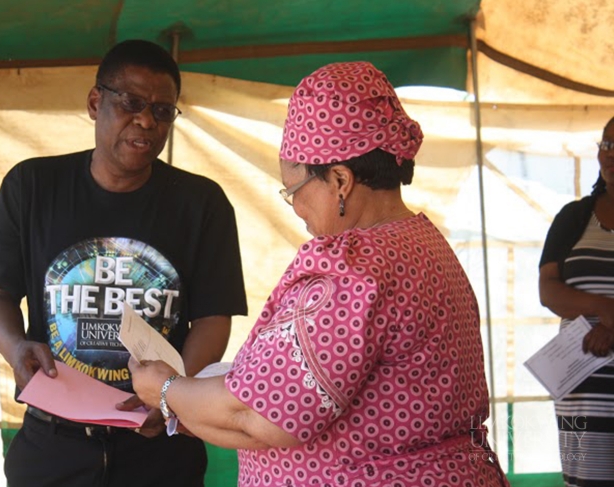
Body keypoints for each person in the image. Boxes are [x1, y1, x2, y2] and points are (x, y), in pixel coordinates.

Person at [128, 61, 509, 487]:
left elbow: (261, 416)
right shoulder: (423, 243)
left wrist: (165, 389)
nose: (295, 207)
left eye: (293, 191)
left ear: (341, 180)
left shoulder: (355, 268)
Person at [0, 39, 247, 487]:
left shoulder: (201, 204)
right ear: (95, 102)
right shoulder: (32, 187)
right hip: (52, 445)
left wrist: (170, 397)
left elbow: (213, 319)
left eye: (162, 111)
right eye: (131, 103)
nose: (145, 121)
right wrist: (16, 348)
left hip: (160, 450)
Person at [538, 116, 614, 487]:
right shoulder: (574, 217)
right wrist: (605, 309)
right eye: (608, 145)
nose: (612, 155)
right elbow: (549, 291)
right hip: (581, 386)